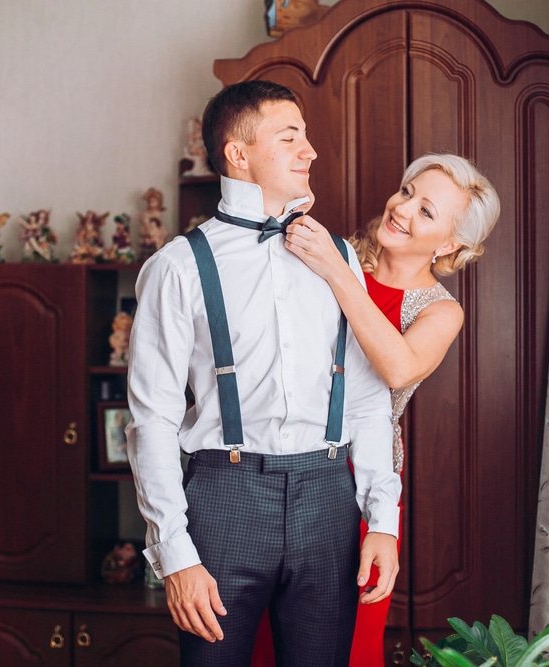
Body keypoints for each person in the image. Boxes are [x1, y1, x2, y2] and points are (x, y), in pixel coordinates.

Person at [125, 80, 401, 667]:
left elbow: (369, 400)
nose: (310, 151)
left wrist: (383, 519)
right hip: (223, 503)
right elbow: (151, 420)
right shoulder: (176, 266)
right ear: (238, 154)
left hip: (329, 497)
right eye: (290, 136)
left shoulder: (340, 257)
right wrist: (175, 555)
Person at [252, 153, 501, 666]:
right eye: (407, 192)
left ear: (451, 243)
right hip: (274, 467)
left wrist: (337, 273)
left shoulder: (439, 310)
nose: (402, 209)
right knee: (262, 643)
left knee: (345, 648)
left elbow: (398, 369)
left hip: (364, 486)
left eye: (427, 212)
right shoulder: (331, 253)